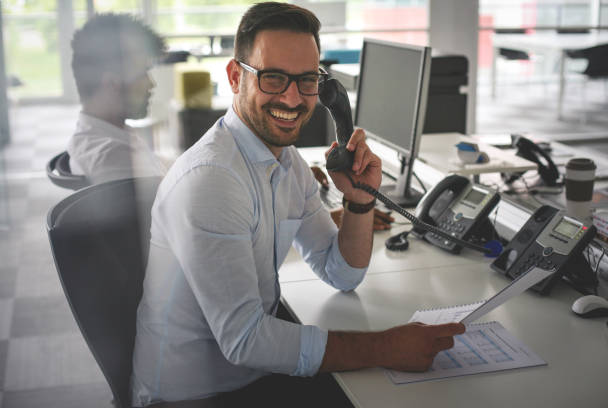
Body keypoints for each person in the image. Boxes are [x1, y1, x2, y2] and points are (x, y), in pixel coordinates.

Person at [131, 3, 464, 406]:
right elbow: (247, 341)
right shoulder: (212, 180)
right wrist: (386, 347)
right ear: (236, 77)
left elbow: (341, 273)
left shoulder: (285, 162)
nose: (293, 98)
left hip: (247, 374)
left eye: (307, 80)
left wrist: (357, 201)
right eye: (273, 78)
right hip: (196, 393)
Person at [67, 13, 167, 184]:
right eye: (143, 73)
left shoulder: (104, 134)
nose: (151, 84)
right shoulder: (113, 157)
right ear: (112, 82)